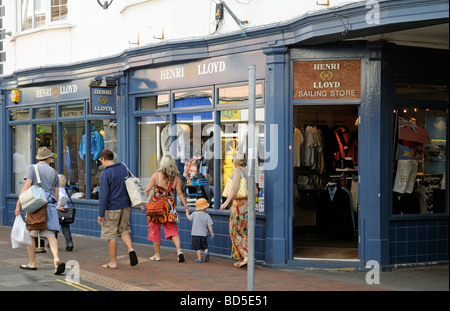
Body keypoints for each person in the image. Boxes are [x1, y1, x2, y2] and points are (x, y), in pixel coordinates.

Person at [14, 147, 66, 275]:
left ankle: (32, 263)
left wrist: (18, 204)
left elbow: (27, 186)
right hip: (50, 206)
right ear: (48, 158)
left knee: (31, 234)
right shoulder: (54, 172)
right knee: (51, 236)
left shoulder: (33, 168)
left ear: (39, 158)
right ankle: (56, 260)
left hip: (36, 206)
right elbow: (57, 194)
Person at [142, 155, 189, 262]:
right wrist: (186, 206)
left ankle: (157, 255)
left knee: (155, 230)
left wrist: (144, 203)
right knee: (172, 229)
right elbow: (180, 193)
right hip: (169, 206)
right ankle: (179, 250)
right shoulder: (176, 178)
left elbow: (147, 190)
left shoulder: (156, 176)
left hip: (156, 206)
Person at [97, 149, 138, 269]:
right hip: (125, 206)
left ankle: (113, 262)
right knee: (124, 230)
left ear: (103, 159)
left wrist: (101, 213)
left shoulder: (105, 173)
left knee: (111, 235)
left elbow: (103, 195)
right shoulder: (123, 168)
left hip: (111, 208)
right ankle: (130, 249)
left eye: (101, 161)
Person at [220, 151, 249, 268]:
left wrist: (226, 202)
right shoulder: (247, 171)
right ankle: (242, 258)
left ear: (235, 161)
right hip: (247, 204)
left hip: (239, 205)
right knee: (242, 230)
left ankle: (246, 255)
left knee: (235, 230)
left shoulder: (237, 171)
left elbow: (235, 187)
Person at [185, 198, 214, 263]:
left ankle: (199, 258)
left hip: (195, 234)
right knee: (204, 245)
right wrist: (211, 233)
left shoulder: (195, 214)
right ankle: (206, 252)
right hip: (204, 234)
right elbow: (210, 225)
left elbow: (189, 218)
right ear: (205, 207)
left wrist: (187, 213)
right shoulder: (207, 215)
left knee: (197, 247)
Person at [57, 174, 74, 251]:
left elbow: (62, 198)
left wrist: (61, 206)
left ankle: (51, 244)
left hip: (58, 211)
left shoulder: (58, 190)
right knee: (66, 229)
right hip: (65, 212)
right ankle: (69, 243)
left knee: (54, 229)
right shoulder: (64, 189)